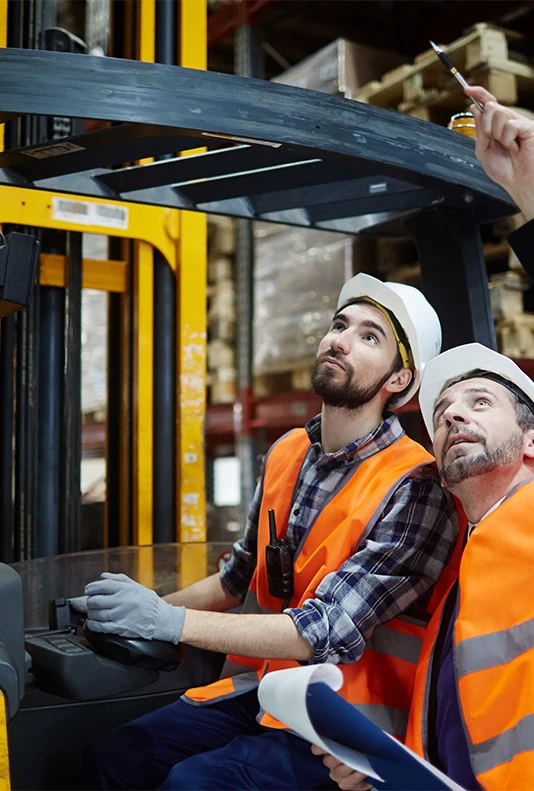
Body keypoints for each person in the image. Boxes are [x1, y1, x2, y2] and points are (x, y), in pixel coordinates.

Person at [76, 273, 459, 791]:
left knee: (195, 785)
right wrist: (135, 613)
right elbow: (238, 578)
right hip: (268, 689)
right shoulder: (286, 453)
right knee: (117, 753)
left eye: (369, 337)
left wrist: (168, 621)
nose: (340, 340)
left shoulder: (416, 486)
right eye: (339, 325)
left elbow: (324, 632)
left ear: (398, 380)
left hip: (344, 725)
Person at [313, 87, 534, 791]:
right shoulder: (457, 578)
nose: (454, 415)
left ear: (531, 442)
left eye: (480, 400)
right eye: (441, 411)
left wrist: (529, 190)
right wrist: (378, 766)